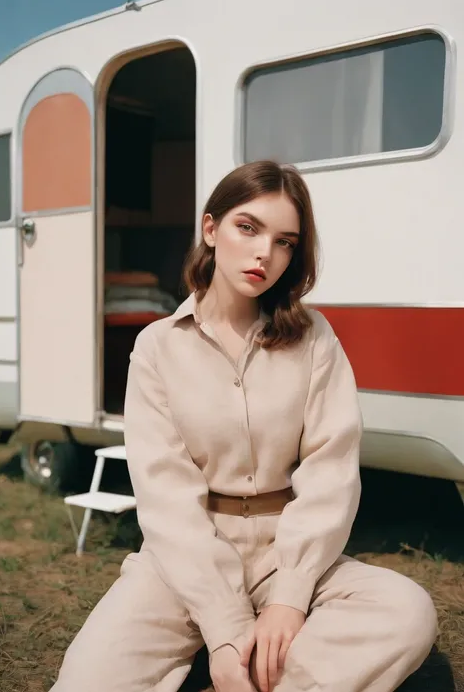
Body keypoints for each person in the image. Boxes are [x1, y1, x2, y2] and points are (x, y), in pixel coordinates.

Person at [51, 161, 437, 692]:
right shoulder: (157, 347)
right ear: (211, 229)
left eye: (285, 242)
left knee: (406, 611)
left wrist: (290, 596)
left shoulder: (314, 338)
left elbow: (332, 469)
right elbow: (165, 496)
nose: (264, 254)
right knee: (85, 681)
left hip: (289, 547)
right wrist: (227, 626)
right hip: (185, 556)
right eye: (248, 228)